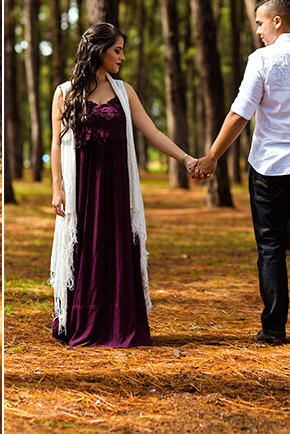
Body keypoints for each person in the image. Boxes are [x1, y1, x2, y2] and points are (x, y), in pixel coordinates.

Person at [191, 0, 290, 345]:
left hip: (269, 169)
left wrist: (212, 157)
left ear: (277, 20)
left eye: (260, 22)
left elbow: (240, 114)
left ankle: (273, 329)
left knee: (272, 248)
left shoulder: (262, 60)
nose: (258, 30)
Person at [49, 22, 198, 348]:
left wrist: (186, 159)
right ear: (99, 50)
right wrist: (58, 188)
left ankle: (119, 323)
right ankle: (81, 319)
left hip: (116, 189)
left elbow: (153, 132)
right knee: (84, 249)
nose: (123, 56)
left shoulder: (124, 92)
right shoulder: (65, 93)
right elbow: (56, 145)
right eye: (117, 50)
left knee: (115, 250)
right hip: (82, 189)